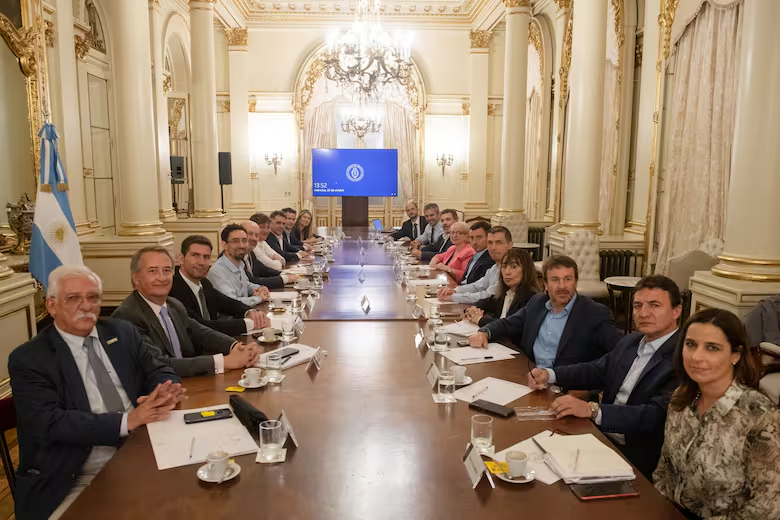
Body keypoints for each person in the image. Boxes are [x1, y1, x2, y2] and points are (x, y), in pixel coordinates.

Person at [10, 265, 185, 519]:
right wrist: (128, 420)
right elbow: (49, 422)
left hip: (146, 448)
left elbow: (159, 368)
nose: (85, 305)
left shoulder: (121, 332)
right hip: (77, 473)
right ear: (52, 305)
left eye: (93, 297)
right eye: (73, 298)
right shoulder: (30, 359)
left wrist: (163, 391)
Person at [528, 275, 683, 478]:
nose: (643, 313)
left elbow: (654, 416)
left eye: (654, 305)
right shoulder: (632, 341)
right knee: (534, 455)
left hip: (634, 456)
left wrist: (593, 410)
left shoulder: (682, 357)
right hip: (600, 437)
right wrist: (550, 375)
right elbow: (598, 370)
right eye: (638, 305)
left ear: (676, 311)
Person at [654, 309, 780, 518]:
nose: (696, 356)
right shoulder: (681, 398)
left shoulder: (761, 418)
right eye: (691, 344)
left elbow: (766, 510)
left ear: (735, 355)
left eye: (712, 348)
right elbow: (664, 470)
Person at [113, 246, 258, 377]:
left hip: (188, 382)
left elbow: (201, 332)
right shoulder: (127, 316)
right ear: (136, 278)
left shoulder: (173, 304)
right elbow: (157, 363)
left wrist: (236, 347)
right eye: (153, 271)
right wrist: (223, 362)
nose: (162, 278)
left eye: (167, 270)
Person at [469, 255, 621, 367]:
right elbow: (509, 324)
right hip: (531, 377)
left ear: (575, 282)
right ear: (546, 285)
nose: (562, 286)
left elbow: (618, 355)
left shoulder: (595, 313)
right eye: (555, 280)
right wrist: (485, 332)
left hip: (567, 388)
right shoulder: (537, 303)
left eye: (568, 279)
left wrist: (589, 390)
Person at [169, 235, 270, 336]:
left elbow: (225, 302)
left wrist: (250, 312)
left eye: (206, 257)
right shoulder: (174, 289)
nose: (201, 262)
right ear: (181, 258)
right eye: (195, 255)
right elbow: (201, 326)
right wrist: (248, 324)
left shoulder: (204, 283)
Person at [437, 226, 513, 304]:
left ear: (510, 245)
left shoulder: (511, 269)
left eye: (499, 242)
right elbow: (477, 286)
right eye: (490, 243)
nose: (493, 247)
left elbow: (488, 296)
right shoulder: (494, 267)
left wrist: (453, 297)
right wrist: (455, 290)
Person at [464, 248, 538, 327]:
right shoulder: (506, 293)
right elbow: (483, 303)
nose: (507, 272)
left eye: (513, 267)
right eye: (504, 266)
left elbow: (509, 326)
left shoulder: (532, 298)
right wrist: (472, 309)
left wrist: (480, 319)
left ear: (526, 270)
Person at [207, 224, 271, 306]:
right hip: (231, 317)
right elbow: (232, 302)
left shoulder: (240, 264)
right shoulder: (217, 272)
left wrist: (260, 288)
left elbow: (245, 285)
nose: (241, 245)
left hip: (244, 313)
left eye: (244, 240)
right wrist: (259, 298)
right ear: (224, 245)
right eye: (235, 241)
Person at [240, 220, 297, 288]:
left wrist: (286, 274)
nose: (254, 238)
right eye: (250, 234)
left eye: (257, 235)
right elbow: (252, 281)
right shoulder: (237, 256)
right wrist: (285, 279)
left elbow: (264, 269)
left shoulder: (250, 253)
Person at [459, 220, 495, 286]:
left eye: (479, 237)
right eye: (471, 238)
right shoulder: (476, 255)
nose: (474, 242)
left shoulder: (490, 259)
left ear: (488, 238)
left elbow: (478, 287)